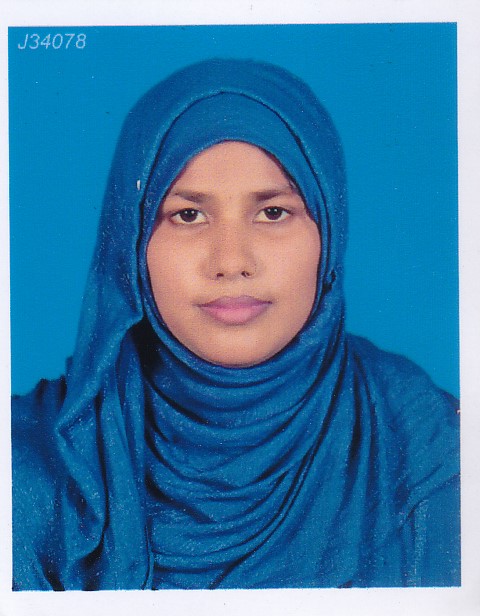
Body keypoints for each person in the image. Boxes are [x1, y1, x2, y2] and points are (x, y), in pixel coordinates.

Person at [11, 58, 460, 590]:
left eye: (273, 213)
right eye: (188, 215)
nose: (231, 261)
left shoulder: (431, 448)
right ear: (131, 241)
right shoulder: (26, 464)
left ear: (329, 232)